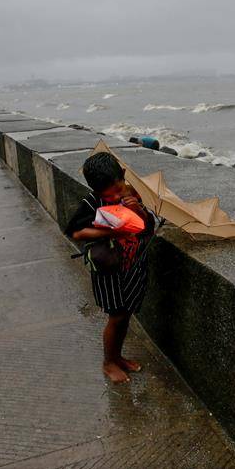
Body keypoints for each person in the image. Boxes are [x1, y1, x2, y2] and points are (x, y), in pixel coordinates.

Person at [65, 152, 156, 383]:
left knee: (126, 315)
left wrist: (139, 210)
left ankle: (118, 356)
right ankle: (108, 362)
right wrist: (111, 231)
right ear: (97, 191)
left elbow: (147, 227)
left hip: (133, 265)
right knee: (116, 317)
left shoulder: (132, 194)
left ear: (123, 175)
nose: (117, 196)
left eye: (119, 189)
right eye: (109, 194)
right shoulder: (92, 202)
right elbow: (76, 231)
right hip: (109, 270)